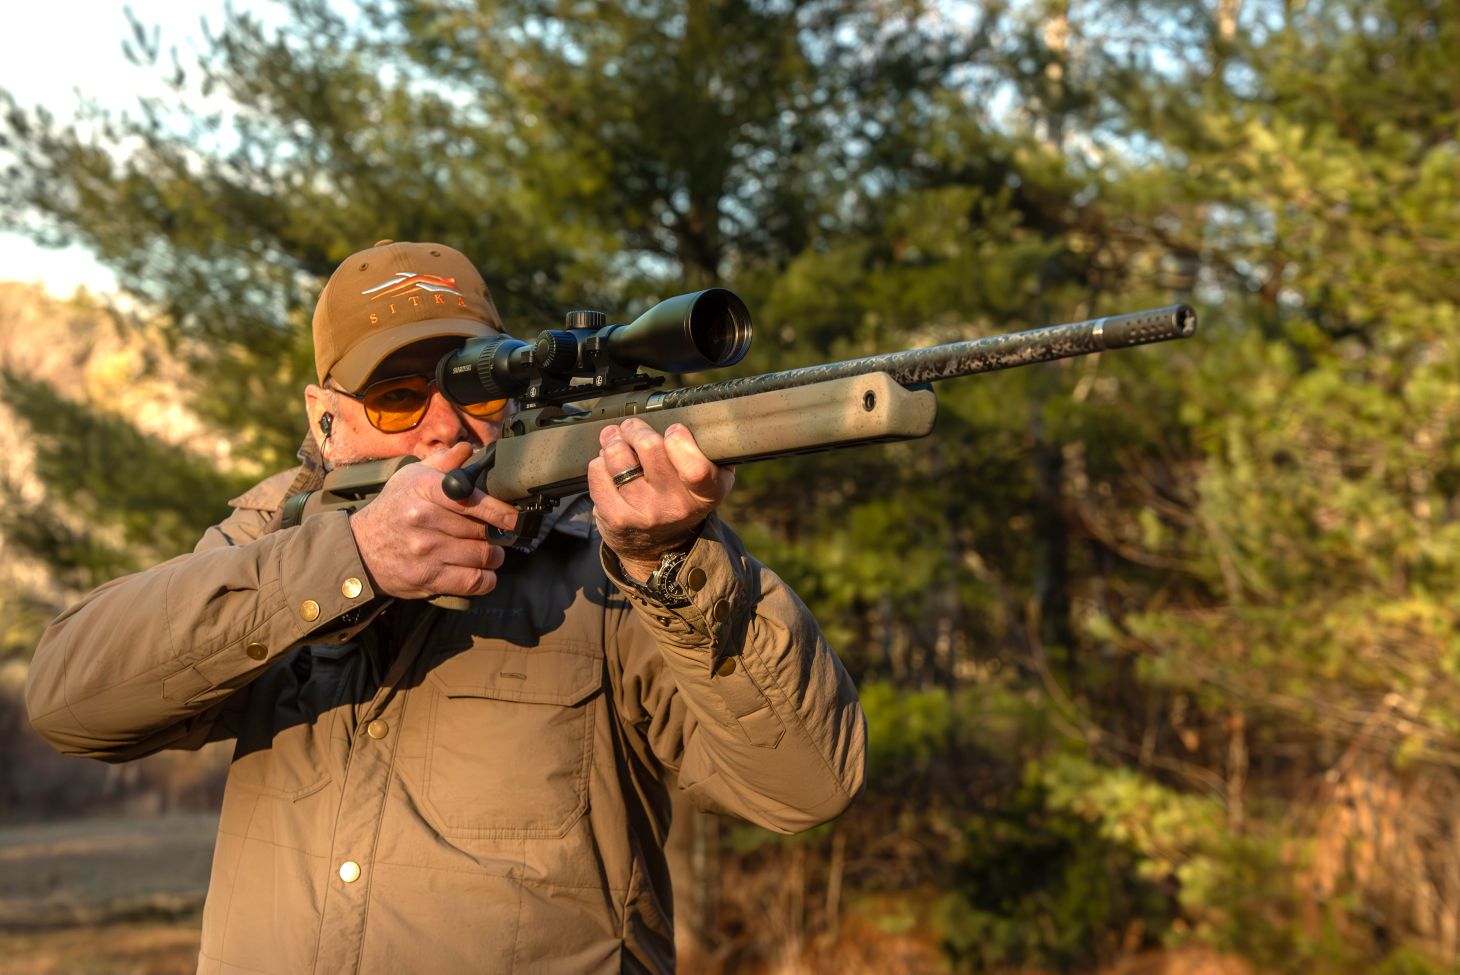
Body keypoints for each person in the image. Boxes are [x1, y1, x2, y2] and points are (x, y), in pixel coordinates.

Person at [25, 240, 866, 974]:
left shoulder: (608, 552)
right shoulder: (275, 533)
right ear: (325, 423)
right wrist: (349, 563)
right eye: (395, 396)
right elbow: (71, 699)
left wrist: (671, 560)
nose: (442, 426)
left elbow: (805, 785)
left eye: (474, 383)